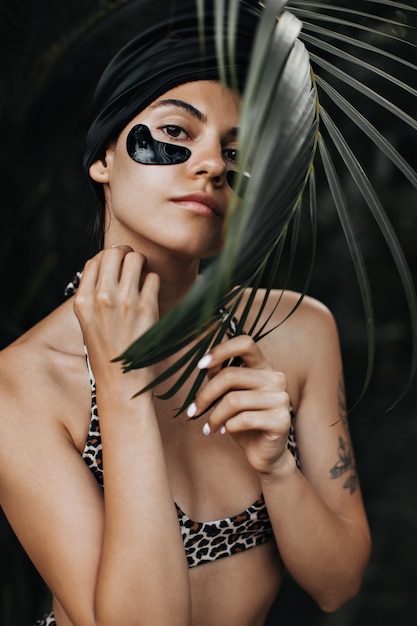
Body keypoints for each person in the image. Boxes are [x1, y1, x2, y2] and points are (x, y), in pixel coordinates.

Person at [0, 1, 371, 625]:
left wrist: (278, 465)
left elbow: (338, 584)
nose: (212, 166)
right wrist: (123, 387)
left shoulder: (298, 332)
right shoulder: (22, 385)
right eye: (176, 133)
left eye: (238, 150)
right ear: (103, 159)